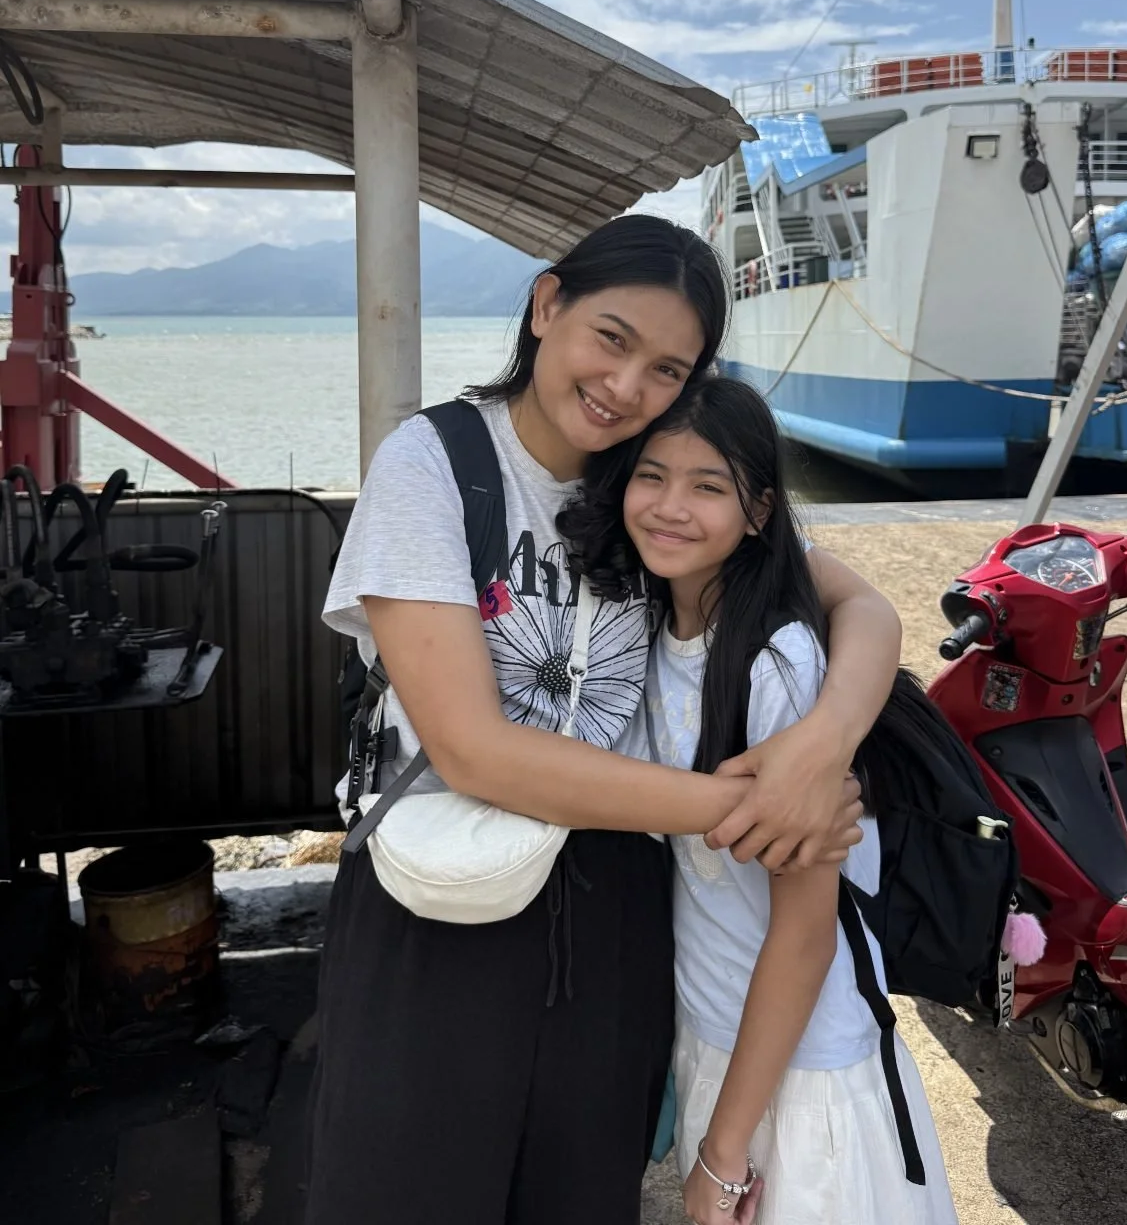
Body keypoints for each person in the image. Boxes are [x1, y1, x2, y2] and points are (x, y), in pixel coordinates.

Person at [305, 216, 903, 1225]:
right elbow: (472, 748)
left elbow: (864, 607)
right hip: (443, 889)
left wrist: (817, 746)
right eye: (612, 339)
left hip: (615, 900)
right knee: (400, 1188)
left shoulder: (651, 480)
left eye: (668, 368)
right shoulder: (434, 463)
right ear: (548, 307)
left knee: (580, 1193)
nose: (628, 388)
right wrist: (744, 804)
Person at [561, 371, 958, 1225]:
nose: (671, 506)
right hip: (716, 1030)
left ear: (760, 512)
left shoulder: (775, 665)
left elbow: (807, 933)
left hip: (801, 1060)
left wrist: (724, 1151)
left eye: (710, 486)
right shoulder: (651, 629)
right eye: (651, 475)